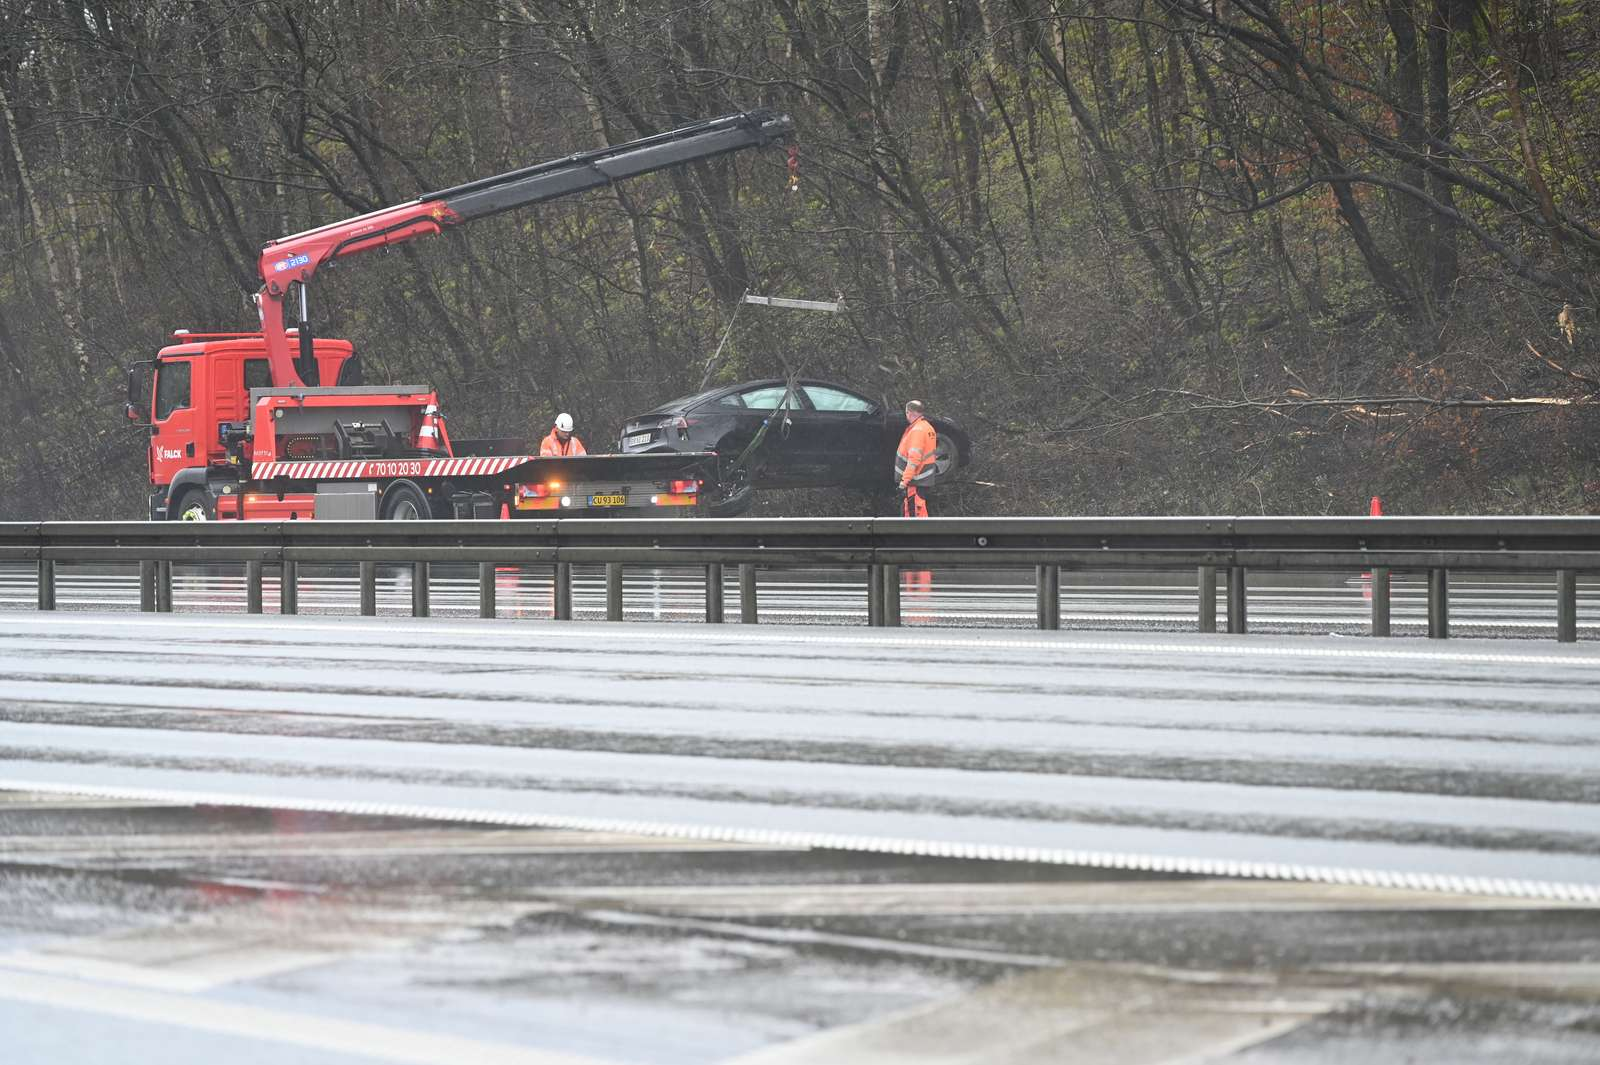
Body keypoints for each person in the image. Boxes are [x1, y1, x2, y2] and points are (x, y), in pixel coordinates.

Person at [894, 399, 937, 518]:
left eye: (906, 413)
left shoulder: (917, 430)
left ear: (910, 412)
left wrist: (904, 481)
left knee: (912, 515)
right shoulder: (927, 428)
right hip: (922, 479)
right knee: (919, 512)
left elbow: (913, 460)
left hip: (914, 481)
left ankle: (915, 536)